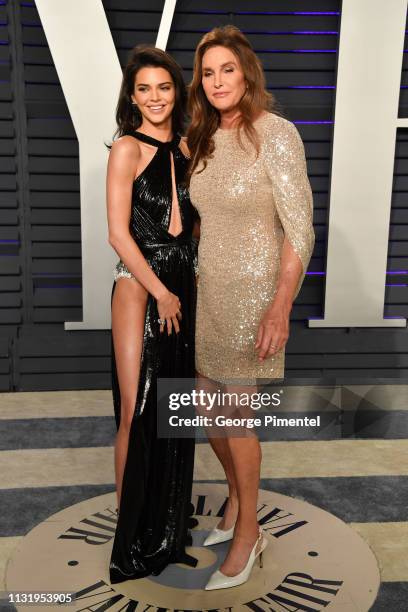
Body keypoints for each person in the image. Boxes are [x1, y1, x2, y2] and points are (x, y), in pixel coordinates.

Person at [186, 25, 315, 590]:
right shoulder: (204, 138)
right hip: (207, 295)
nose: (217, 81)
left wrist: (280, 305)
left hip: (255, 296)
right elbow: (202, 218)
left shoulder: (276, 134)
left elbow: (300, 228)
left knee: (238, 420)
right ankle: (238, 502)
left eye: (227, 70)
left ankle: (248, 534)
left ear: (247, 74)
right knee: (210, 416)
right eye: (208, 73)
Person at [106, 44, 198, 583]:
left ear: (176, 91)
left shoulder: (188, 147)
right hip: (141, 286)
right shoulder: (125, 149)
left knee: (172, 412)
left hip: (183, 283)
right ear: (132, 95)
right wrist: (160, 290)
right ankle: (130, 531)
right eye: (144, 88)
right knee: (136, 410)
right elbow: (118, 233)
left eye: (164, 87)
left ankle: (165, 529)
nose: (155, 97)